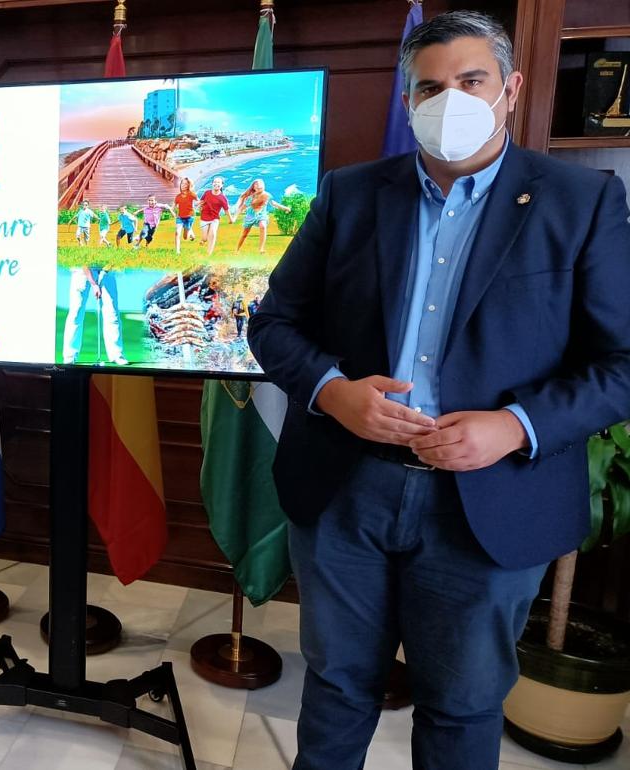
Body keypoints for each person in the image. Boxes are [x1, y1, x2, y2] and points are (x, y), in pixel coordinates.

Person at [247, 12, 630, 770]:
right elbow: (273, 323)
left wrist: (514, 425)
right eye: (429, 87)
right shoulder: (350, 194)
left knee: (461, 706)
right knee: (337, 685)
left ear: (510, 90)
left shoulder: (580, 201)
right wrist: (333, 391)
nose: (449, 99)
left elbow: (621, 362)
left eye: (471, 80)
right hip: (347, 489)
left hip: (490, 500)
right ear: (407, 100)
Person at [61, 262, 127, 366]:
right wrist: (93, 283)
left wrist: (105, 270)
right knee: (76, 313)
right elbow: (84, 261)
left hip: (106, 271)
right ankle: (70, 356)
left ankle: (117, 355)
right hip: (82, 271)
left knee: (112, 313)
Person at [234, 178, 291, 254]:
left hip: (261, 215)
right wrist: (234, 218)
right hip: (250, 216)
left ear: (264, 186)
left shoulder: (267, 195)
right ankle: (237, 249)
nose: (259, 186)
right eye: (256, 185)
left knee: (263, 226)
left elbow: (274, 204)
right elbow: (241, 208)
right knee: (244, 234)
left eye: (260, 184)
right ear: (254, 188)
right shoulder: (251, 197)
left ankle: (261, 249)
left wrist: (285, 208)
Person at [198, 177, 233, 255]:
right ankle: (203, 240)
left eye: (218, 182)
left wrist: (230, 219)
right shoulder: (207, 193)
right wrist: (199, 206)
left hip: (214, 219)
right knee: (205, 238)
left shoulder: (223, 198)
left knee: (213, 233)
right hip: (204, 218)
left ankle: (209, 253)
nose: (216, 183)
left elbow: (226, 210)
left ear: (222, 185)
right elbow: (201, 201)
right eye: (215, 182)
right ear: (212, 184)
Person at [173, 176, 199, 252]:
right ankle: (177, 251)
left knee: (185, 237)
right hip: (180, 217)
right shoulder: (178, 196)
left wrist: (197, 205)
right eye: (182, 183)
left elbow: (199, 201)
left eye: (185, 184)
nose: (183, 185)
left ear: (188, 185)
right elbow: (173, 206)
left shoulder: (191, 194)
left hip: (189, 217)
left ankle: (191, 232)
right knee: (177, 233)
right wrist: (171, 210)